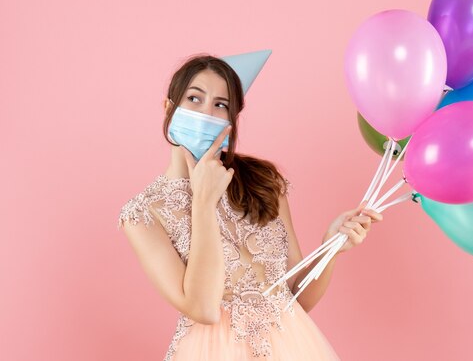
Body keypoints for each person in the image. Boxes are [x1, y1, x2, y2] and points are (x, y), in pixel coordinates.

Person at [117, 50, 383, 360]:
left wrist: (330, 248)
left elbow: (293, 298)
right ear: (168, 107)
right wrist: (203, 202)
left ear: (232, 119)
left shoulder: (262, 182)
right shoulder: (143, 214)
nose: (206, 113)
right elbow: (202, 307)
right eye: (194, 98)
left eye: (221, 105)